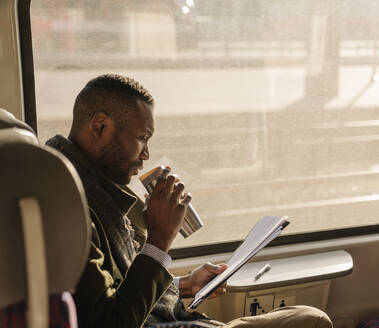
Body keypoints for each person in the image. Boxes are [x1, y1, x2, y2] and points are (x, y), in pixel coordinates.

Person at [46, 74, 332, 328]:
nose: (146, 154)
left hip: (169, 316)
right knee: (313, 320)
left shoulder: (97, 189)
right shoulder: (68, 205)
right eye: (142, 138)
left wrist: (184, 285)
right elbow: (110, 321)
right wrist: (159, 240)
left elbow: (119, 287)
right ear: (100, 126)